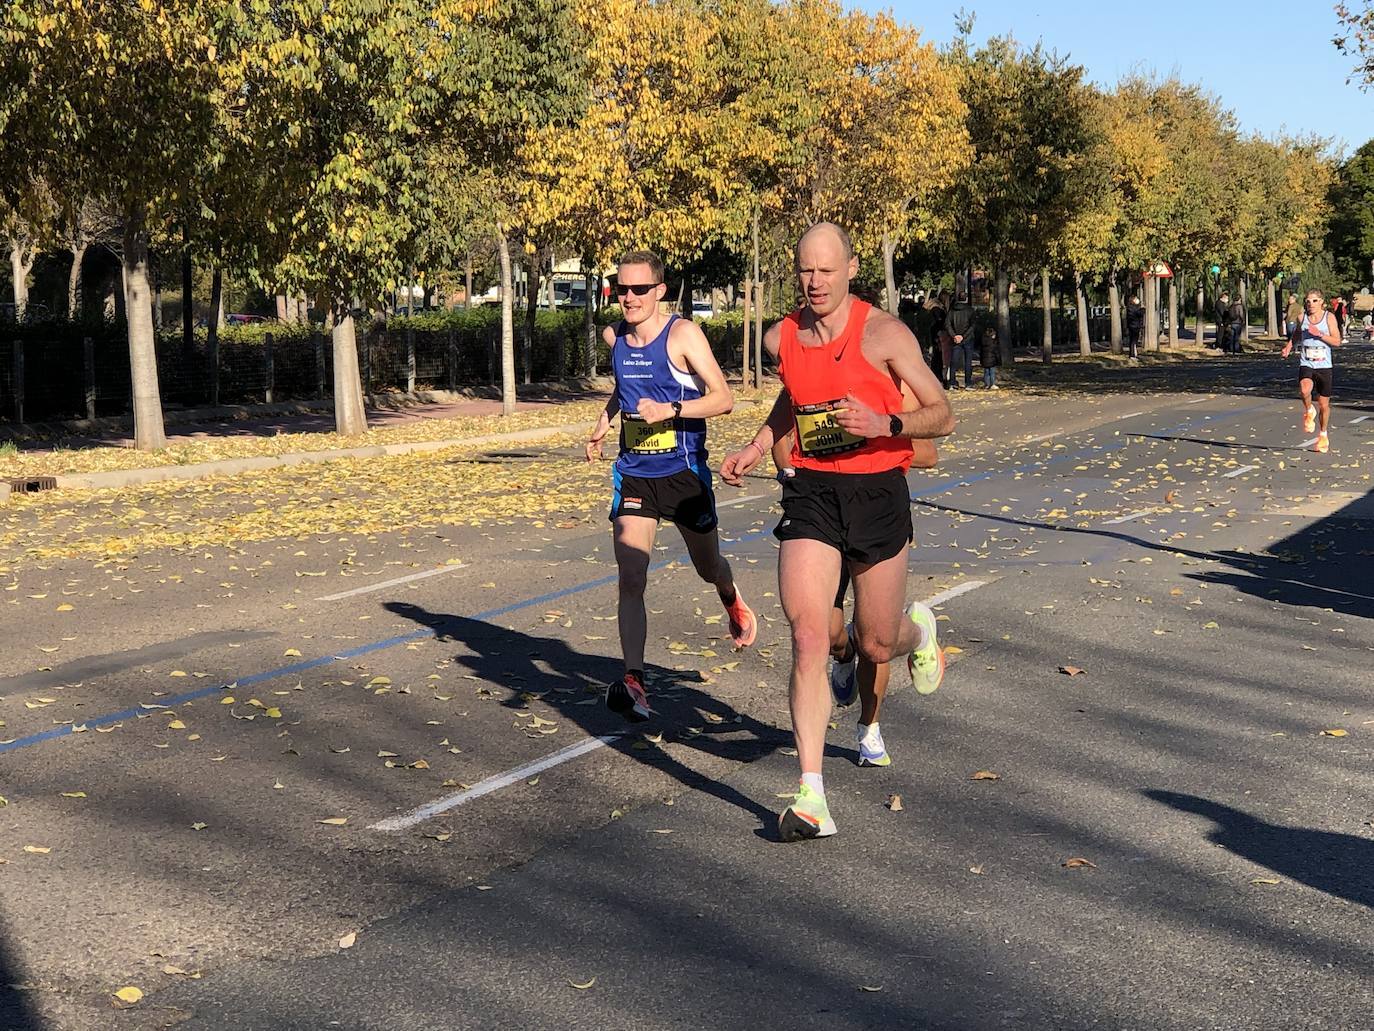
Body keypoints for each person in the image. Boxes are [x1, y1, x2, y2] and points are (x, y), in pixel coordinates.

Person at [719, 222, 955, 842]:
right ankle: (811, 796)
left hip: (877, 493)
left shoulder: (884, 334)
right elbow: (792, 401)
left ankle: (919, 629)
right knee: (807, 634)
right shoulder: (784, 336)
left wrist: (885, 421)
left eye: (827, 270)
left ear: (851, 269)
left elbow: (944, 414)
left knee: (877, 643)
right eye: (805, 271)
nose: (815, 281)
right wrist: (757, 444)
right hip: (814, 493)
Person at [586, 250, 756, 721]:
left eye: (640, 289)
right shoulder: (614, 336)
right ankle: (635, 681)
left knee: (707, 566)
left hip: (683, 475)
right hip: (636, 473)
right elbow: (622, 387)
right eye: (622, 289)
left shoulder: (683, 335)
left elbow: (724, 398)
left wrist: (673, 411)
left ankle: (730, 596)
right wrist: (603, 423)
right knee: (631, 576)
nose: (630, 298)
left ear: (660, 290)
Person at [770, 395, 939, 769]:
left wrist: (872, 434)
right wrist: (789, 470)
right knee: (822, 632)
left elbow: (927, 452)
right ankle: (843, 654)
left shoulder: (887, 377)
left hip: (873, 508)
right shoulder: (806, 373)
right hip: (818, 507)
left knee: (875, 640)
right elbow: (779, 435)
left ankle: (870, 726)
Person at [1280, 290, 1340, 454]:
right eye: (1308, 301)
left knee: (1323, 404)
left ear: (1321, 302)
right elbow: (1297, 334)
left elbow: (1337, 341)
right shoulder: (1302, 317)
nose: (1310, 304)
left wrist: (1319, 334)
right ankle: (1308, 410)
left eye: (1314, 301)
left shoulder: (1329, 318)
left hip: (1324, 366)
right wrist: (1288, 347)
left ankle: (1323, 434)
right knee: (1304, 389)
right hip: (1307, 363)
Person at [945, 290, 976, 389]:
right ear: (966, 298)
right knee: (968, 361)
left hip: (955, 339)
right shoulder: (970, 310)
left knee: (954, 361)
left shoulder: (952, 311)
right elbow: (972, 325)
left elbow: (947, 324)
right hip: (968, 339)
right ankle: (968, 383)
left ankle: (952, 382)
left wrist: (954, 335)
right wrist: (964, 336)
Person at [978, 322, 1001, 389]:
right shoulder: (993, 343)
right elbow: (996, 352)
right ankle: (992, 384)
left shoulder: (983, 342)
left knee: (986, 373)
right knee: (992, 372)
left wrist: (981, 360)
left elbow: (981, 352)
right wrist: (998, 360)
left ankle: (986, 384)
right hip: (992, 361)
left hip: (985, 360)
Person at [1125, 293, 1144, 360]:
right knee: (1133, 341)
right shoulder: (1132, 308)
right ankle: (1132, 355)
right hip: (1134, 326)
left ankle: (1134, 354)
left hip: (1134, 325)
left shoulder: (1132, 307)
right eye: (1136, 299)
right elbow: (1139, 313)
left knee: (1134, 341)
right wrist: (1142, 309)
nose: (1137, 300)